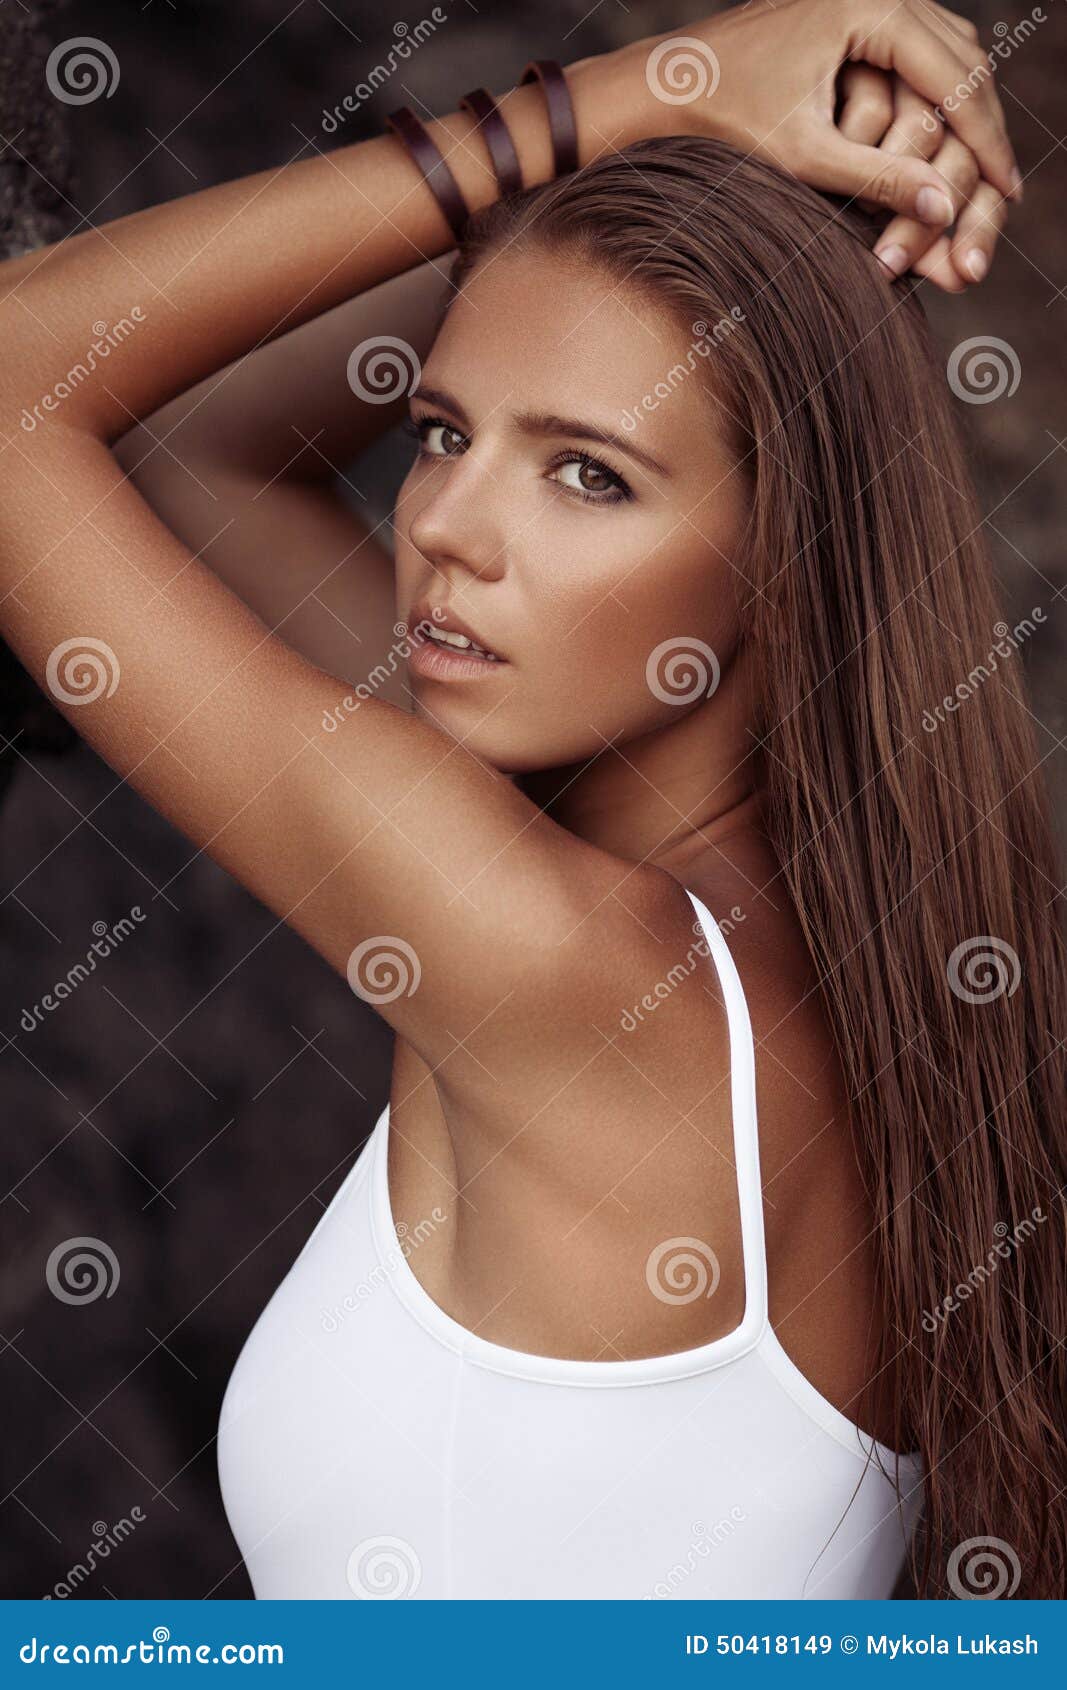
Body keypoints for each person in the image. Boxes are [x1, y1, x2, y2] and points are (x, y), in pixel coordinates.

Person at [2, 0, 1062, 1600]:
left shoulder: (579, 966)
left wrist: (632, 99)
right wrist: (655, 172)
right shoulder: (830, 935)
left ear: (784, 556)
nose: (449, 530)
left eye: (589, 474)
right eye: (440, 433)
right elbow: (203, 463)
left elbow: (23, 388)